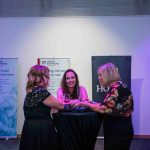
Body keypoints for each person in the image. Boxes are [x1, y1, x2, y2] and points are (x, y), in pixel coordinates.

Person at [74, 63, 134, 150]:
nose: (98, 78)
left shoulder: (118, 88)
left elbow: (103, 109)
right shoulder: (116, 87)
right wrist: (90, 102)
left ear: (108, 74)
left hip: (119, 131)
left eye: (100, 75)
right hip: (116, 130)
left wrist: (83, 103)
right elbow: (106, 106)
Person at [19, 65, 64, 150]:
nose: (49, 77)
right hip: (41, 129)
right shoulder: (40, 91)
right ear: (41, 77)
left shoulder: (31, 90)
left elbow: (37, 109)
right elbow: (61, 105)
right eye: (47, 75)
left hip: (29, 128)